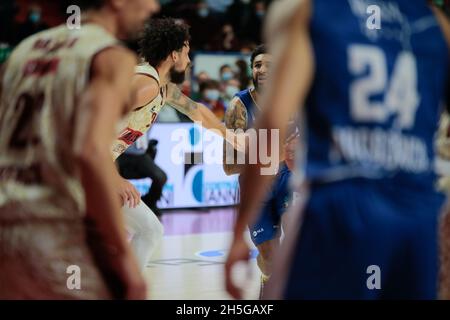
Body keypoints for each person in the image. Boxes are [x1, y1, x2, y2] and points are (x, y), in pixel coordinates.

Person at [226, 0, 450, 300]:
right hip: (418, 208)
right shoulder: (434, 21)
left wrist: (237, 230)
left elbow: (271, 121)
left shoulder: (307, 9)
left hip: (342, 199)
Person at [0, 0, 160, 299]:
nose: (152, 6)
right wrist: (122, 257)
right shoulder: (110, 57)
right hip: (52, 221)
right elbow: (91, 152)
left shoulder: (25, 48)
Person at [111, 17, 244, 271]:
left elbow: (198, 112)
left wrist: (230, 136)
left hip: (92, 170)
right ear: (174, 54)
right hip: (81, 168)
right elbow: (91, 125)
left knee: (149, 230)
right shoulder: (144, 85)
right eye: (187, 51)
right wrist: (113, 177)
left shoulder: (162, 87)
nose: (189, 59)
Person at [223, 44, 297, 298]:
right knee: (268, 256)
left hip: (288, 177)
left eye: (269, 65)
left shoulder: (294, 98)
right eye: (257, 65)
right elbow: (229, 165)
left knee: (296, 233)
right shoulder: (239, 104)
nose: (263, 69)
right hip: (256, 185)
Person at [117, 136, 167, 218]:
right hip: (120, 154)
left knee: (160, 177)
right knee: (110, 175)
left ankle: (149, 203)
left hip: (140, 155)